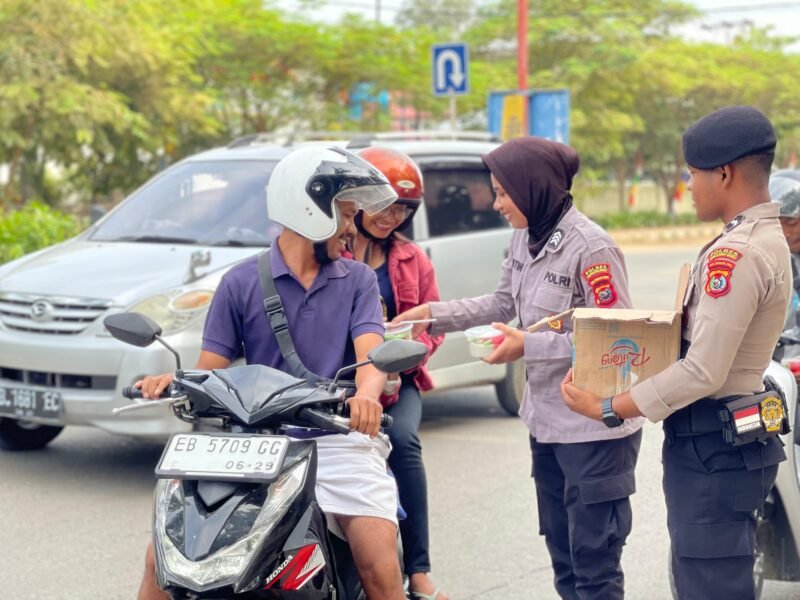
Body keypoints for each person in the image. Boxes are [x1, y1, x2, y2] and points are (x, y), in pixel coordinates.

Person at [135, 146, 408, 600]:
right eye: (343, 215)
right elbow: (211, 368)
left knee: (376, 559)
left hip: (333, 439)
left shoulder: (358, 281)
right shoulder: (239, 282)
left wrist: (367, 397)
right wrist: (173, 381)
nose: (350, 228)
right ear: (309, 210)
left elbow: (371, 357)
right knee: (162, 560)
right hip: (250, 443)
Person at [394, 136, 644, 600]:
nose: (496, 204)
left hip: (593, 431)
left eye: (503, 193)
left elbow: (616, 339)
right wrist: (430, 314)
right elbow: (502, 301)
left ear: (534, 188)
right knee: (564, 557)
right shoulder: (525, 238)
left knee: (594, 564)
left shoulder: (592, 248)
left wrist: (527, 345)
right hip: (548, 424)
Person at [560, 105, 790, 600]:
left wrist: (608, 408)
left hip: (713, 447)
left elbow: (704, 369)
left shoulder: (740, 253)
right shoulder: (754, 240)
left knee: (709, 584)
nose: (688, 187)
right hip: (722, 445)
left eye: (692, 174)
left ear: (724, 173)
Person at [349, 147, 447, 600]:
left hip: (397, 382)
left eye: (402, 210)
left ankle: (420, 569)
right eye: (385, 207)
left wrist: (405, 356)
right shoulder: (330, 253)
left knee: (404, 445)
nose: (392, 218)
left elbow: (431, 330)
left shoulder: (413, 259)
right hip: (339, 381)